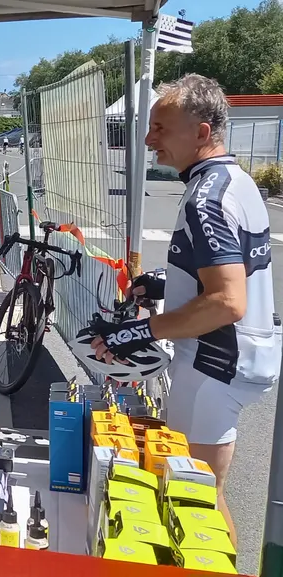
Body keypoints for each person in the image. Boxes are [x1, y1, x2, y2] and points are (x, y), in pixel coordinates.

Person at [89, 74, 279, 545]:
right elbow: (232, 273)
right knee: (198, 498)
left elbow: (227, 301)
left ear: (201, 133)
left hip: (217, 364)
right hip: (234, 358)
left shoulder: (206, 197)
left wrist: (139, 332)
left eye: (160, 127)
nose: (150, 139)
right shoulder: (234, 180)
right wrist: (165, 282)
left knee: (199, 506)